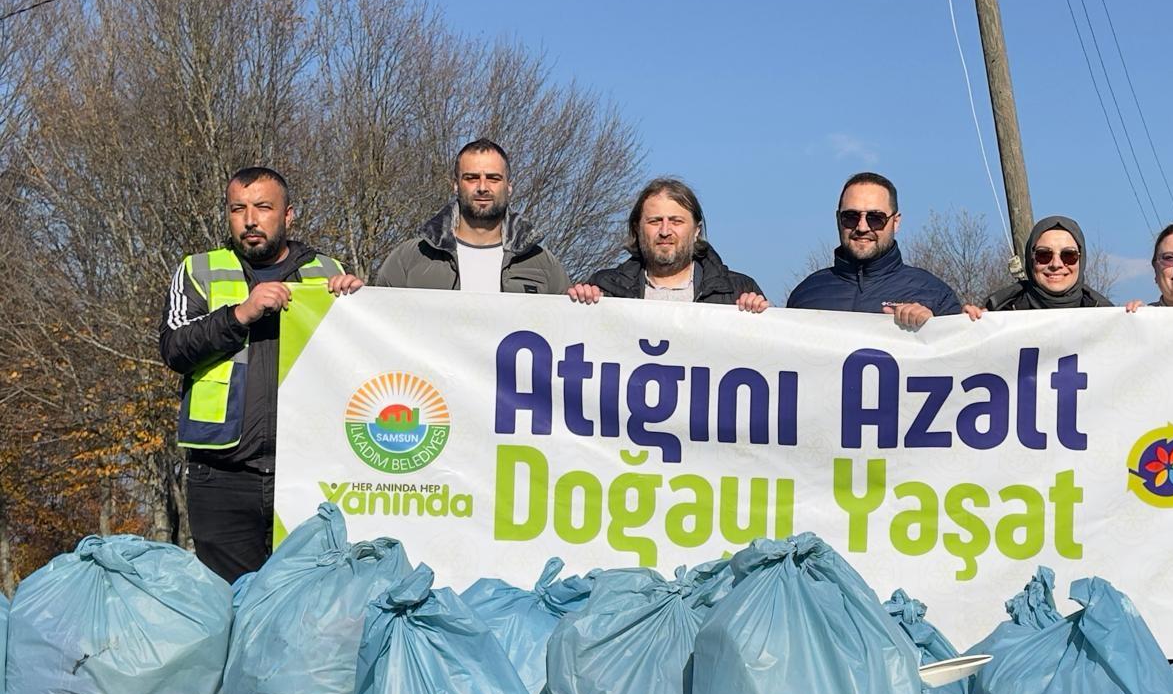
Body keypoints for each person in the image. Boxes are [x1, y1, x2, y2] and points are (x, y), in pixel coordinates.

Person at [160, 167, 363, 582]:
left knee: (307, 604)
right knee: (229, 605)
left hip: (310, 474)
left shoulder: (328, 271)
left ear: (288, 215)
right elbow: (175, 348)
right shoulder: (198, 269)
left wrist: (359, 306)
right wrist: (240, 314)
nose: (250, 220)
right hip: (221, 474)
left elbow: (359, 365)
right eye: (238, 209)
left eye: (263, 207)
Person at [373, 138, 572, 293]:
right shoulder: (410, 258)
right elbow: (374, 319)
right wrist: (356, 298)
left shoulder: (542, 264)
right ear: (455, 185)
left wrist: (584, 301)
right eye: (472, 178)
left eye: (493, 178)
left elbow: (568, 325)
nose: (482, 187)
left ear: (509, 186)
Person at [787, 172, 961, 329]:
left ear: (896, 222)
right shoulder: (805, 295)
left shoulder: (935, 295)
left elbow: (960, 350)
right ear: (838, 219)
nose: (862, 227)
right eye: (851, 217)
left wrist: (933, 328)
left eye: (876, 218)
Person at [566, 177, 768, 311]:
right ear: (637, 228)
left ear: (696, 230)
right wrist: (578, 307)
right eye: (655, 221)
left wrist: (759, 317)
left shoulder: (737, 291)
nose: (664, 231)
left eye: (676, 221)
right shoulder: (605, 288)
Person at [966, 215, 1110, 318]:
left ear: (1081, 259)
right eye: (1044, 255)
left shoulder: (1106, 315)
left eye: (1068, 255)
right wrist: (965, 327)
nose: (1056, 264)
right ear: (1031, 259)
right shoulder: (999, 312)